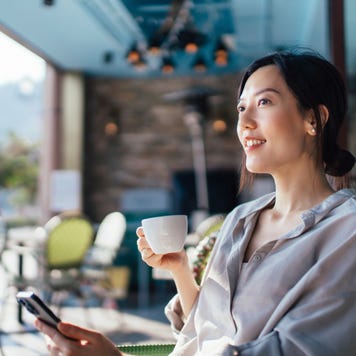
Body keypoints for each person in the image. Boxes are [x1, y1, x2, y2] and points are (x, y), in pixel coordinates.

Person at [35, 49, 355, 355]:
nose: (244, 123)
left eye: (264, 102)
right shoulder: (240, 220)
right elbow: (207, 334)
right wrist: (180, 269)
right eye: (242, 108)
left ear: (314, 119)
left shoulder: (346, 232)